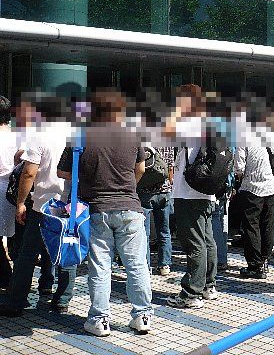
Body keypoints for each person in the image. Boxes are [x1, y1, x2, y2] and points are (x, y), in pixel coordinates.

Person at [58, 90, 152, 336]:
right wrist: (127, 187)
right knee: (137, 264)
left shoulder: (81, 136)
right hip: (130, 207)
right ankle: (142, 316)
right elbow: (141, 168)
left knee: (100, 266)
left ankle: (99, 320)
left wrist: (90, 176)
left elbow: (63, 172)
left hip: (97, 209)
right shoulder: (133, 134)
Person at [0, 97, 77, 317]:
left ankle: (16, 302)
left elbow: (29, 173)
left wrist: (20, 203)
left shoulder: (40, 135)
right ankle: (62, 300)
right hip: (69, 204)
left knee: (27, 254)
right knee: (66, 252)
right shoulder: (76, 135)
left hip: (43, 204)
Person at [165, 85, 219, 309]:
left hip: (189, 193)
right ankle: (208, 286)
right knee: (207, 240)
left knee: (195, 243)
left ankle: (191, 293)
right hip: (206, 193)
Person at [234, 147, 274, 279]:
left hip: (251, 188)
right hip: (271, 187)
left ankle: (255, 265)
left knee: (251, 226)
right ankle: (265, 260)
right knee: (268, 226)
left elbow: (239, 167)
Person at [138, 146, 174, 276]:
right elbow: (170, 166)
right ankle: (164, 265)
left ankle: (146, 267)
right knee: (164, 231)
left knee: (144, 233)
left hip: (144, 191)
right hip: (164, 191)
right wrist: (170, 184)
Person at [0, 96, 17, 290]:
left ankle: (6, 277)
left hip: (1, 189)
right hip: (15, 191)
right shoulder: (18, 136)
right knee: (16, 238)